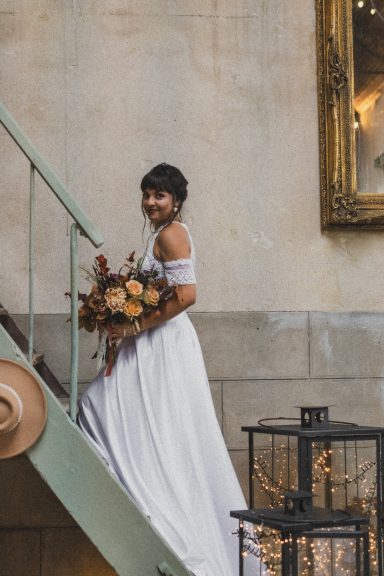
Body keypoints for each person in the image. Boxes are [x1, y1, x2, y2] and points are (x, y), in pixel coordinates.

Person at [78, 163, 265, 576]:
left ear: (176, 200)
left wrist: (133, 324)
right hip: (151, 341)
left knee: (129, 414)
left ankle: (159, 505)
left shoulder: (173, 234)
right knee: (137, 419)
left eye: (159, 195)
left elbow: (187, 295)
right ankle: (144, 491)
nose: (150, 202)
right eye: (146, 194)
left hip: (161, 343)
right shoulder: (161, 236)